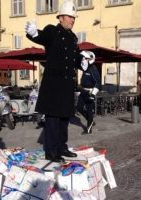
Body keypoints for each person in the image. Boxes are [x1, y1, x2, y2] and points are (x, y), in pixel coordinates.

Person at [25, 0, 85, 162]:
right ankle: (51, 151)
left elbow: (75, 57)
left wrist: (83, 61)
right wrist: (33, 33)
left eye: (74, 18)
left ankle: (61, 147)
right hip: (53, 84)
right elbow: (42, 37)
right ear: (61, 18)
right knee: (53, 120)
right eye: (70, 17)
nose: (72, 20)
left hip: (67, 85)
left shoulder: (73, 38)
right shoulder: (52, 31)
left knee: (65, 118)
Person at [76, 51, 101, 134]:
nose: (83, 60)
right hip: (83, 91)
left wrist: (93, 94)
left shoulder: (93, 69)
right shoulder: (85, 68)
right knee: (79, 107)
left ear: (90, 59)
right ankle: (90, 121)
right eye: (83, 58)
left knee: (89, 110)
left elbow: (98, 82)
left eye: (85, 58)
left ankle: (89, 129)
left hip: (90, 92)